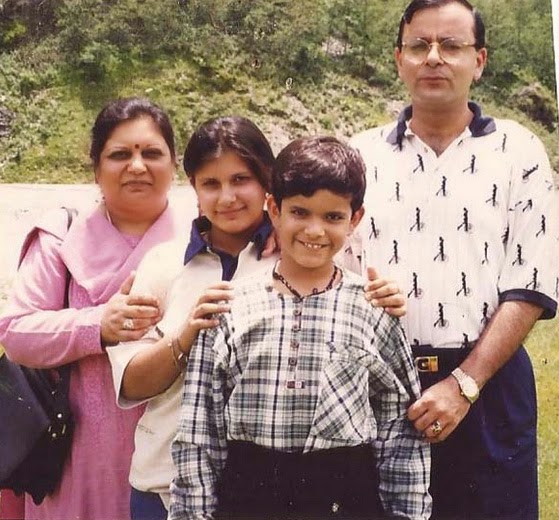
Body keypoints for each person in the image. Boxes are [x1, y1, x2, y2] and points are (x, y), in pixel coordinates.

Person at [107, 117, 406, 520]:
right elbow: (130, 382)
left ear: (267, 185)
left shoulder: (297, 253)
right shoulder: (163, 263)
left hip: (264, 487)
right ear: (192, 186)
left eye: (240, 180)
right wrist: (188, 333)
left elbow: (357, 303)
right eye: (210, 183)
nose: (227, 197)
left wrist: (389, 296)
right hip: (165, 474)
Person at [350, 1, 559, 518]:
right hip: (380, 387)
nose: (433, 58)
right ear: (399, 59)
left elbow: (531, 284)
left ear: (479, 60)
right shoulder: (359, 157)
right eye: (419, 45)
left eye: (451, 45)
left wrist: (464, 385)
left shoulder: (519, 152)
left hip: (489, 388)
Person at [0, 97, 196, 520]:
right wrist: (98, 325)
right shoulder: (61, 238)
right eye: (120, 154)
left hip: (172, 462)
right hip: (76, 460)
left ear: (175, 164)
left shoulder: (202, 241)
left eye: (152, 153)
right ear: (96, 167)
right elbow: (15, 331)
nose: (137, 166)